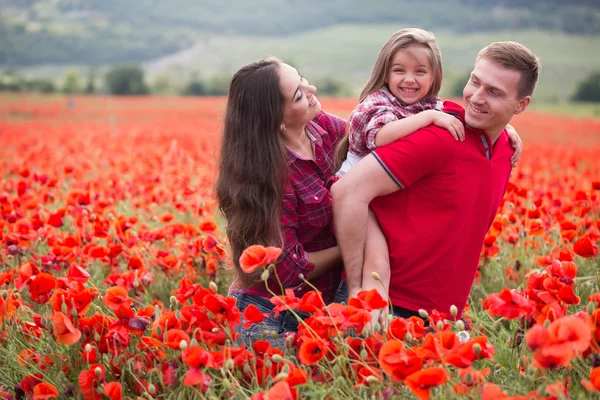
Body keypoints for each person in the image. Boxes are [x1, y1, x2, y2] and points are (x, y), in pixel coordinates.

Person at [332, 41, 541, 322]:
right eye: (475, 82)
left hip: (445, 313)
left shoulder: (507, 148)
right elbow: (347, 191)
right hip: (385, 306)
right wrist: (359, 290)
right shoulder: (439, 136)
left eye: (494, 92)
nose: (477, 97)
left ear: (521, 105)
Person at [216, 57, 347, 347]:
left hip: (318, 307)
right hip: (267, 319)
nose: (312, 88)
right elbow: (289, 269)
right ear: (277, 119)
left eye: (302, 79)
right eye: (299, 94)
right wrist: (354, 245)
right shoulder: (270, 175)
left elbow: (370, 139)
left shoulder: (322, 128)